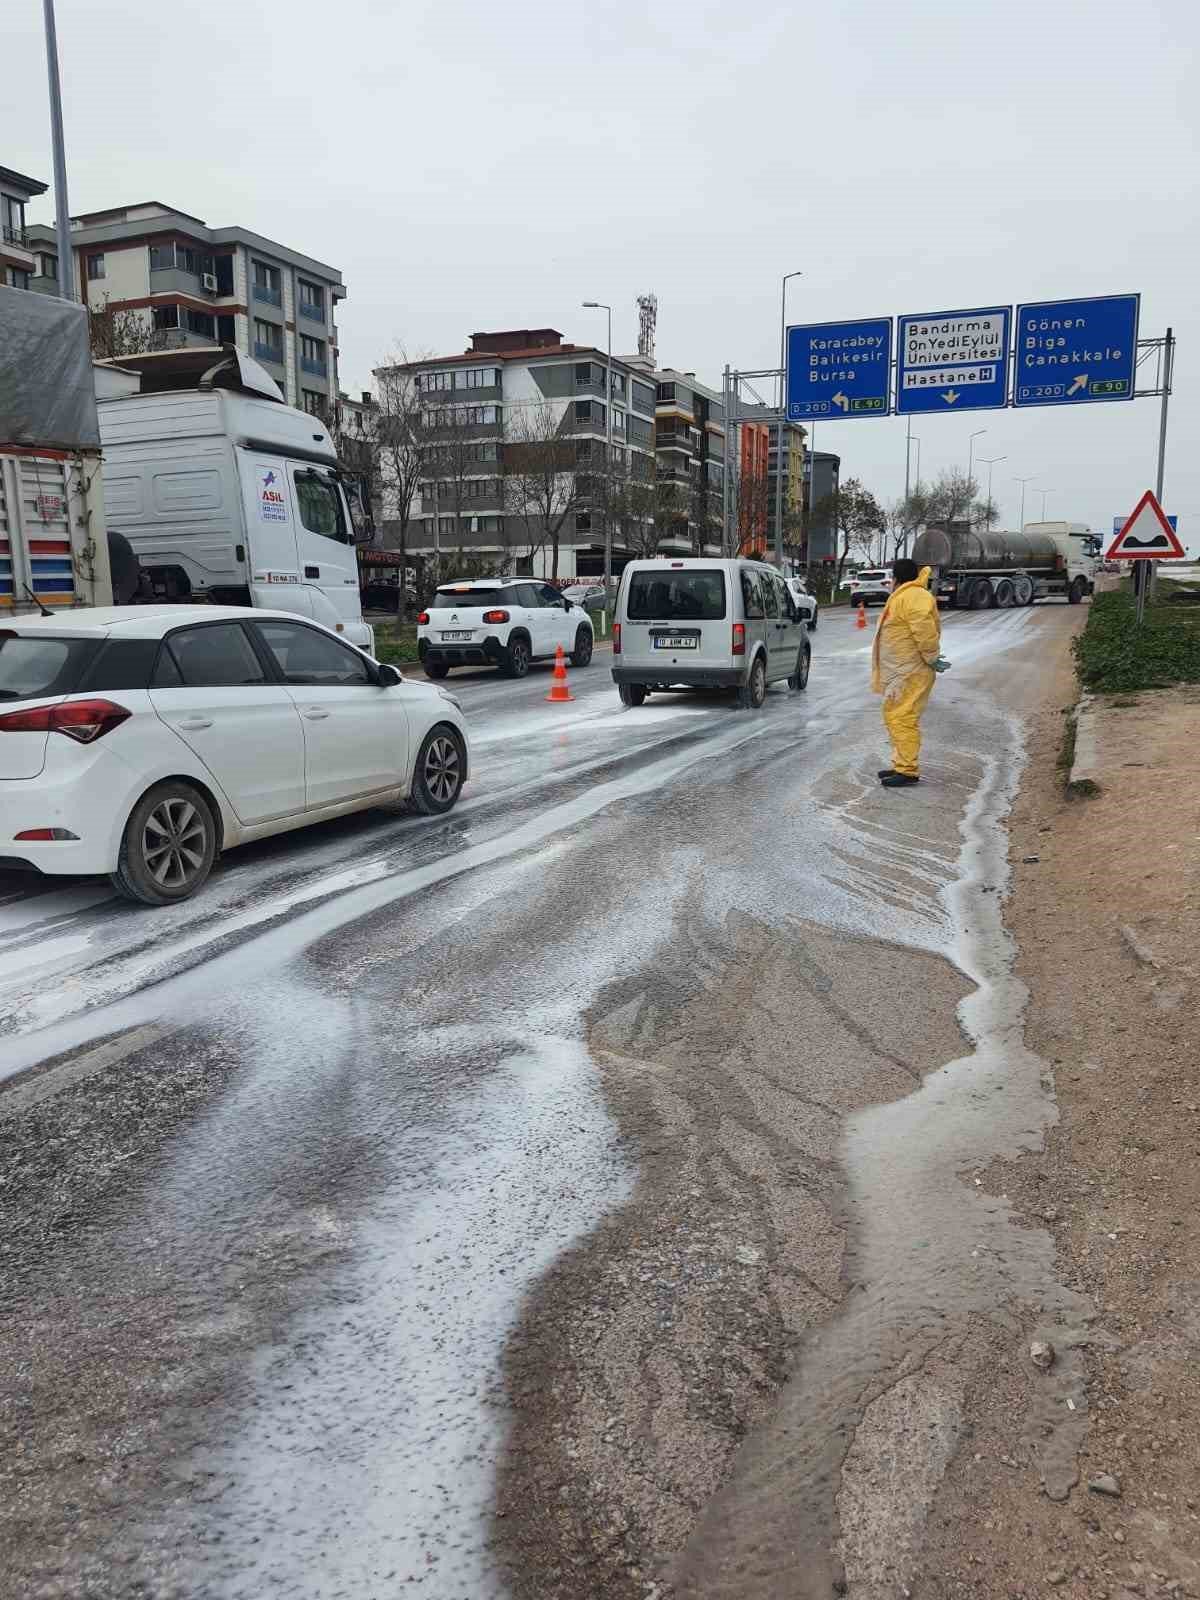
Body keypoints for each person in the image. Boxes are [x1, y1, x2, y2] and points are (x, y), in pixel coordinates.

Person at [870, 559, 949, 788]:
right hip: (903, 671)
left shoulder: (913, 596)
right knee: (895, 716)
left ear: (895, 578)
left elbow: (924, 632)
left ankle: (907, 770)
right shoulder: (909, 595)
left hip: (910, 672)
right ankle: (901, 764)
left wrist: (932, 658)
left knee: (902, 717)